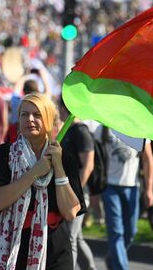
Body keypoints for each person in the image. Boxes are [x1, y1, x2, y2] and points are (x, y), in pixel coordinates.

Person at [0, 93, 84, 269]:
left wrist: (59, 167)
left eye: (37, 114)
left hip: (56, 248)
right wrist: (34, 172)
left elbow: (70, 212)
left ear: (48, 118)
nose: (29, 119)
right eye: (24, 114)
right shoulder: (4, 154)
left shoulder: (64, 157)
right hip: (12, 245)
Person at [100, 128, 153, 270]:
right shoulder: (104, 127)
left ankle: (113, 257)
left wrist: (149, 190)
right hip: (110, 187)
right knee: (116, 231)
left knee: (131, 231)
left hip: (132, 187)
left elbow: (148, 160)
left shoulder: (139, 129)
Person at [59, 101, 96, 270]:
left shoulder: (80, 131)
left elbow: (88, 166)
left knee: (69, 239)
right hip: (69, 193)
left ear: (62, 108)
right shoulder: (67, 131)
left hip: (77, 195)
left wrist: (75, 194)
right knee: (77, 237)